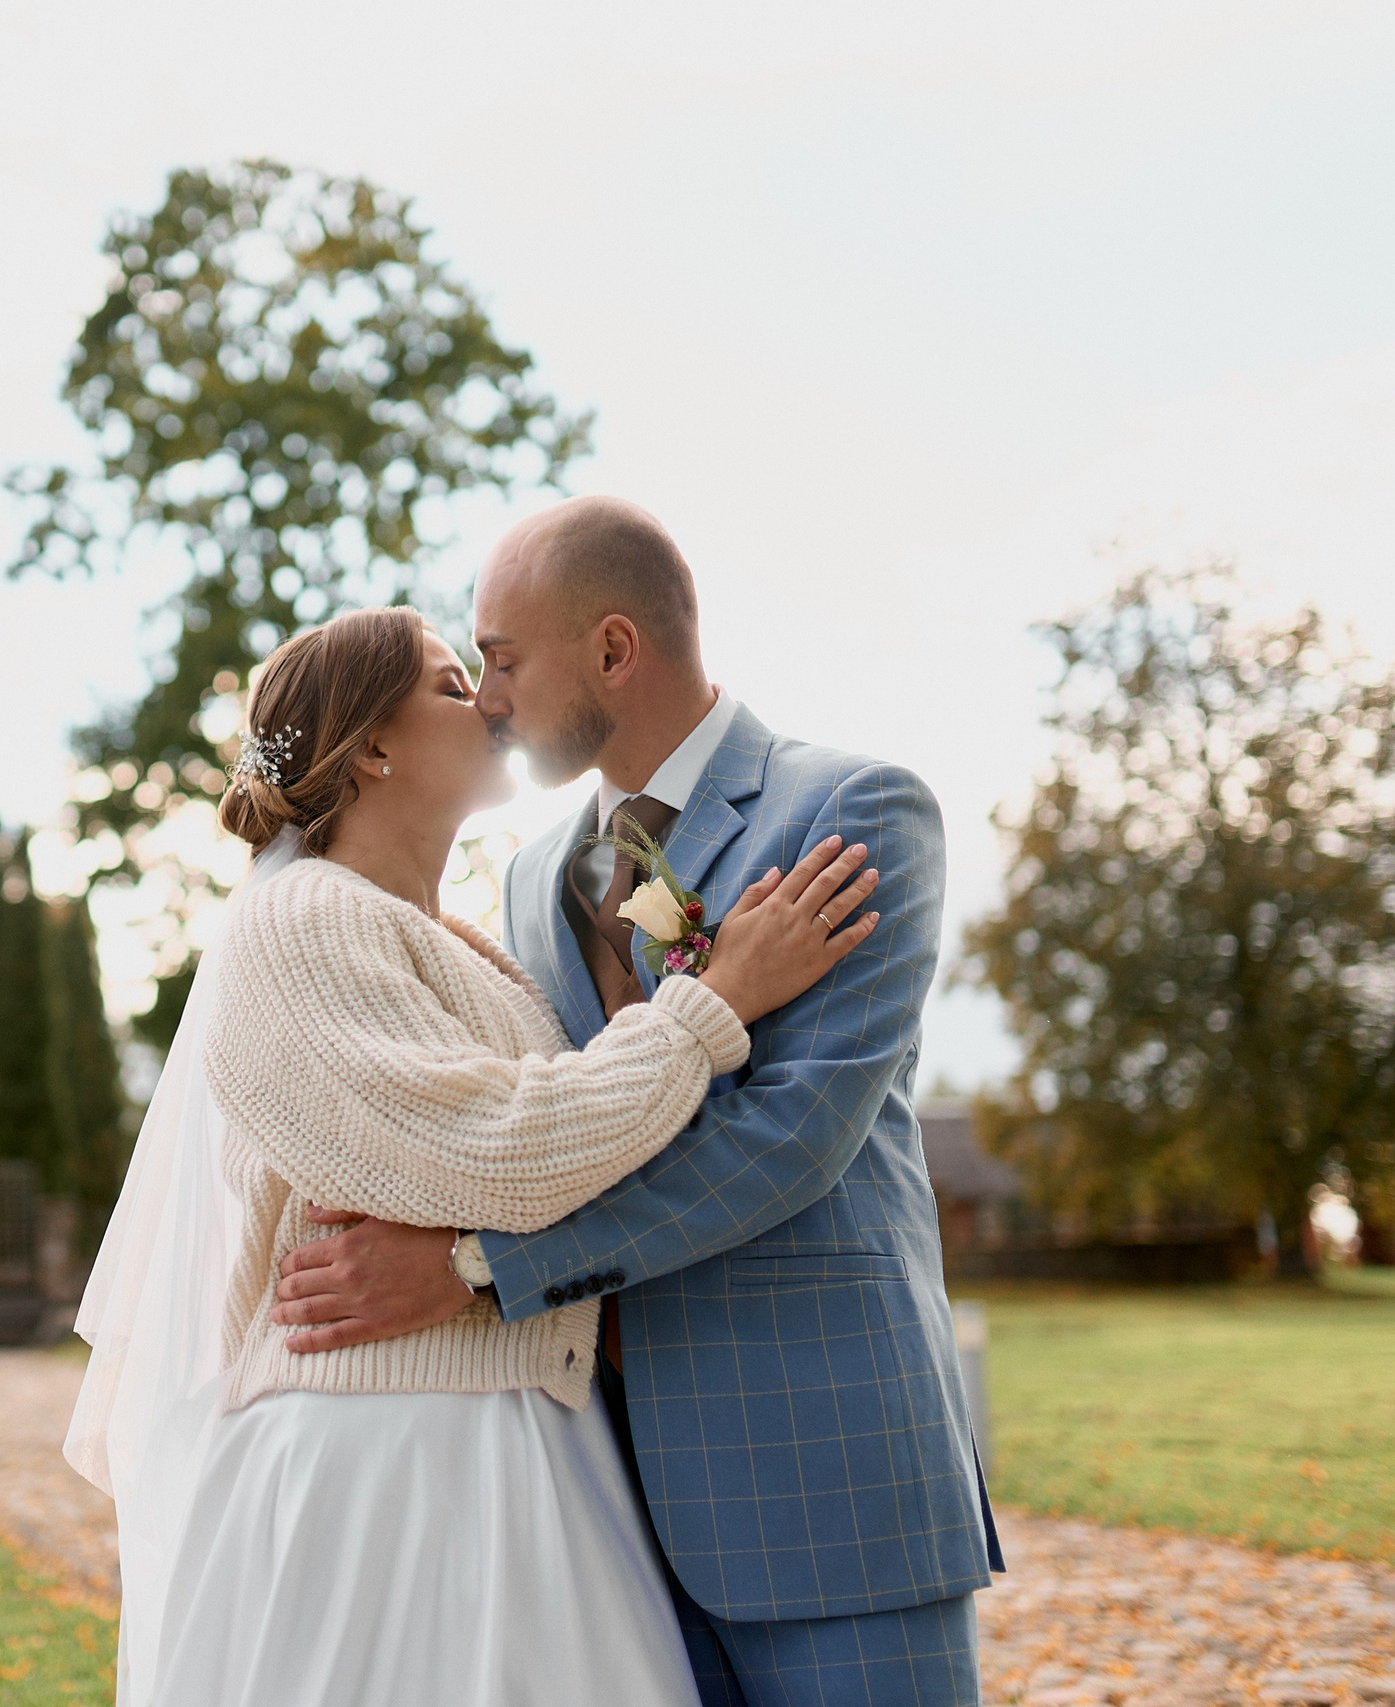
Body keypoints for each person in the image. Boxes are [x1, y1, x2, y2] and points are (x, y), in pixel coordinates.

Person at [66, 598, 885, 1705]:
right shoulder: (302, 920)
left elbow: (545, 1154)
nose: (491, 703)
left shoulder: (450, 942)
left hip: (510, 1446)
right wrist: (713, 1000)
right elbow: (496, 1151)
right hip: (381, 1474)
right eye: (453, 685)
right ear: (374, 749)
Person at [265, 496, 1005, 1706]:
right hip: (595, 1517)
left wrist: (472, 1268)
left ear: (613, 649)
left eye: (500, 661)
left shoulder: (850, 812)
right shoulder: (526, 886)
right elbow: (553, 1127)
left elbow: (789, 1141)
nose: (487, 699)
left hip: (825, 1485)